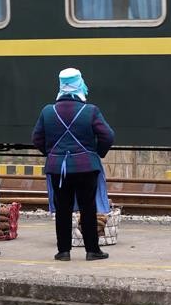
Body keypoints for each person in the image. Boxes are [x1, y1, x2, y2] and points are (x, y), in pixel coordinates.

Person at [32, 68, 115, 261]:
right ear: (79, 84)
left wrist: (52, 154)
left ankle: (63, 251)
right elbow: (108, 136)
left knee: (62, 208)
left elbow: (36, 138)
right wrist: (96, 153)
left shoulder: (48, 111)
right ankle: (92, 250)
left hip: (57, 168)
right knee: (88, 208)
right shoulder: (90, 111)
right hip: (86, 167)